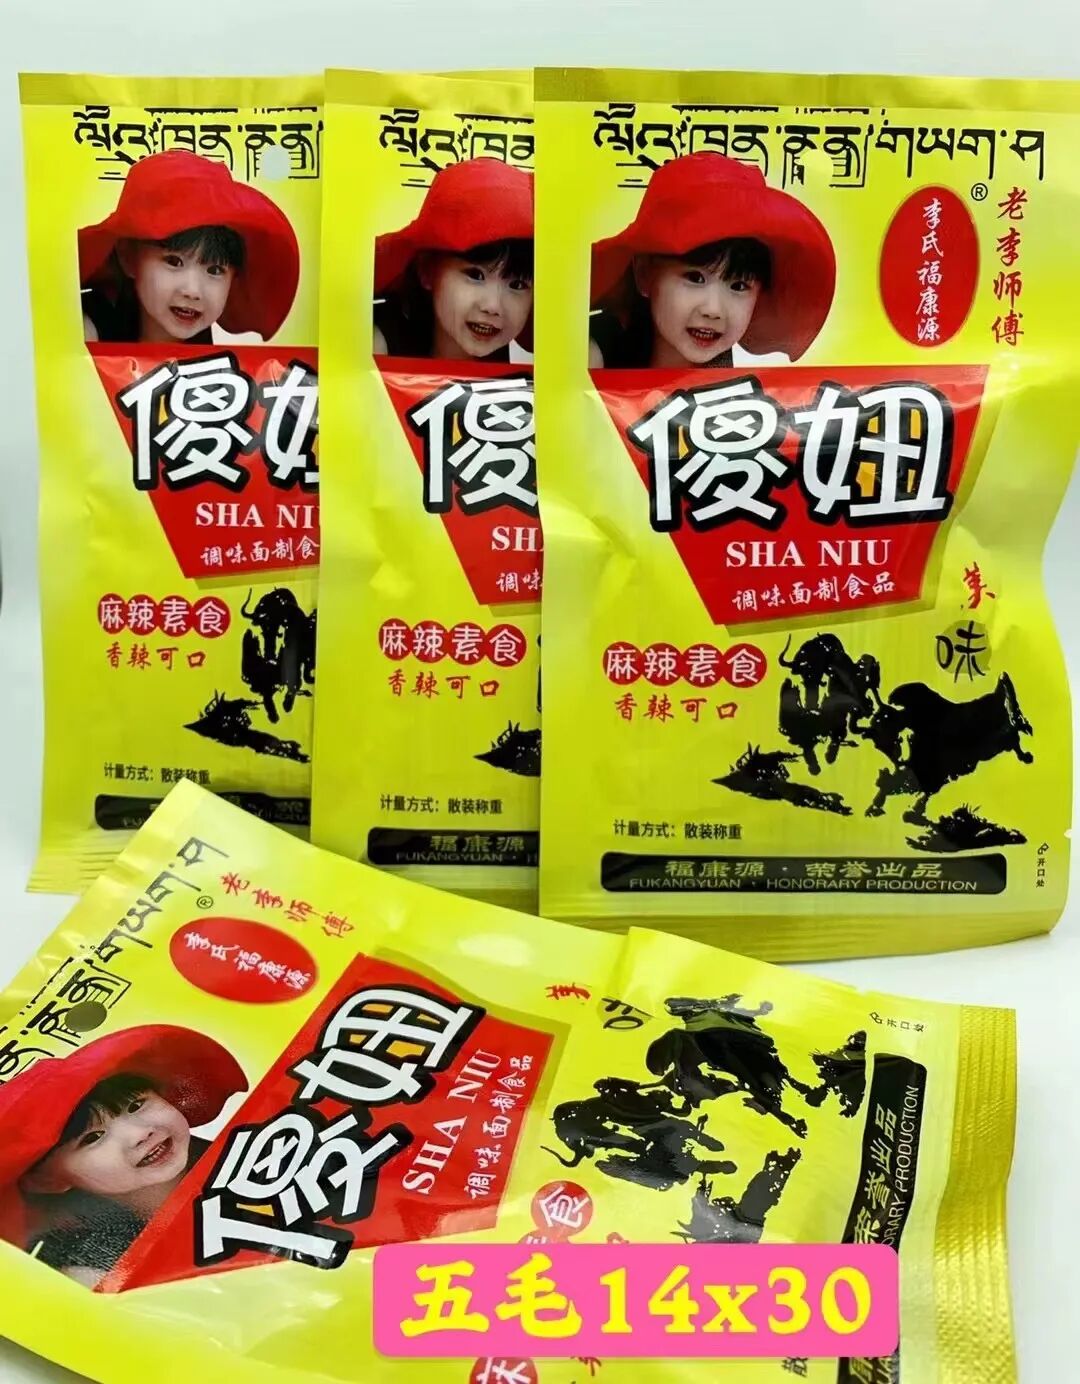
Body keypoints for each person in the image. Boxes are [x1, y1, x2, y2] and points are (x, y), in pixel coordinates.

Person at [0, 1025, 247, 1288]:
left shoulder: (254, 1147)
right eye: (92, 1137)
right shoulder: (92, 1271)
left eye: (136, 1105)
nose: (140, 1133)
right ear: (45, 1180)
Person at [589, 151, 836, 369]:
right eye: (695, 278)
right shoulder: (591, 351)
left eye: (739, 286)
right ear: (644, 273)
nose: (713, 310)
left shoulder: (738, 389)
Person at [78, 149, 300, 346]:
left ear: (233, 279)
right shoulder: (84, 329)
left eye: (215, 270)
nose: (192, 291)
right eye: (174, 261)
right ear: (128, 257)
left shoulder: (222, 368)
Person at [373, 157, 533, 362]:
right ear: (427, 270)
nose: (493, 306)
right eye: (475, 275)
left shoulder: (526, 367)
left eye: (517, 284)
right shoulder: (374, 345)